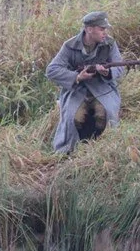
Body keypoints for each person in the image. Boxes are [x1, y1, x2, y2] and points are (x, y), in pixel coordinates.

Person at [46, 11, 125, 154]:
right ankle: (68, 152)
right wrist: (77, 76)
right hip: (77, 90)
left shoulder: (109, 44)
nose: (105, 33)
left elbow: (119, 67)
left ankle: (107, 149)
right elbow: (52, 70)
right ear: (89, 29)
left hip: (102, 88)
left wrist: (107, 72)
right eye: (101, 29)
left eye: (105, 29)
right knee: (72, 119)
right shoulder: (69, 46)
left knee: (107, 115)